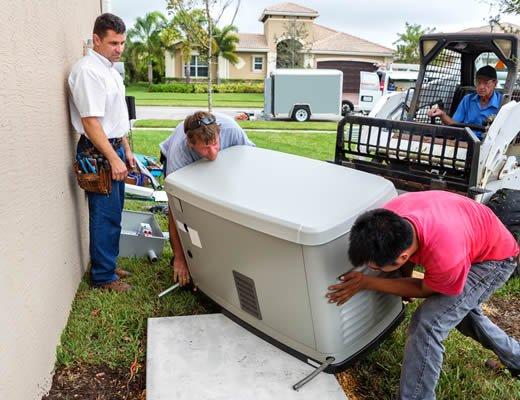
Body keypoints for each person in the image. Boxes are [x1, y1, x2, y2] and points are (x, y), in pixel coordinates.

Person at [326, 190, 519, 399]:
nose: (369, 268)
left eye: (373, 265)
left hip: (495, 260)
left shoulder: (446, 256)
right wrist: (403, 276)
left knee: (428, 324)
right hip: (471, 233)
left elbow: (423, 290)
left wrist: (368, 282)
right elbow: (411, 268)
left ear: (402, 257)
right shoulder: (388, 218)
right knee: (462, 314)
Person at [68, 13, 135, 292]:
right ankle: (103, 277)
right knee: (104, 214)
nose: (119, 49)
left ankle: (107, 264)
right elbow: (91, 122)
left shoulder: (109, 69)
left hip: (114, 147)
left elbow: (116, 118)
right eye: (113, 43)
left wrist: (127, 150)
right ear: (96, 40)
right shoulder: (88, 71)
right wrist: (113, 157)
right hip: (98, 151)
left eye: (122, 43)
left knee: (114, 213)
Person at [160, 111, 255, 286]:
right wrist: (179, 258)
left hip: (223, 165)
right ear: (190, 143)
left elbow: (250, 164)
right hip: (184, 166)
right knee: (189, 210)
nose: (212, 153)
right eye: (204, 148)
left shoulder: (232, 130)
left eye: (215, 144)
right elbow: (174, 209)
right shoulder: (179, 152)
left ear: (219, 133)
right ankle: (188, 257)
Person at [427, 65, 502, 138]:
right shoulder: (467, 100)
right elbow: (454, 124)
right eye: (478, 82)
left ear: (495, 83)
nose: (481, 87)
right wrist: (442, 114)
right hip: (465, 140)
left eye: (486, 83)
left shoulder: (503, 102)